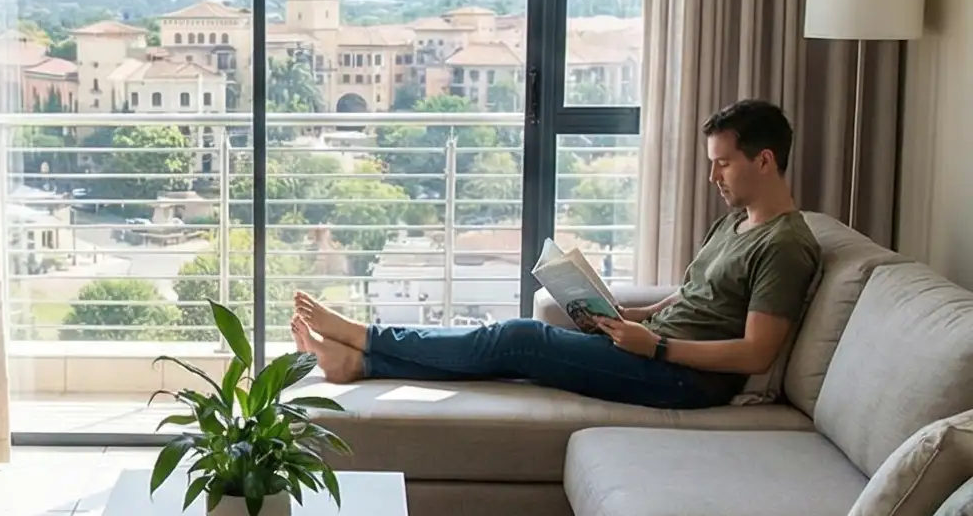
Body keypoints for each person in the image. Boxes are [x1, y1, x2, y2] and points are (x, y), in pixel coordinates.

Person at [291, 99, 821, 410]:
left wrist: (656, 347)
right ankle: (361, 361)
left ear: (766, 161)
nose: (713, 177)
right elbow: (695, 296)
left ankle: (366, 343)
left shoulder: (785, 245)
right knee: (514, 345)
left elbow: (755, 354)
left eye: (724, 164)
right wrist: (627, 317)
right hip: (653, 349)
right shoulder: (735, 221)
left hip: (684, 379)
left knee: (520, 339)